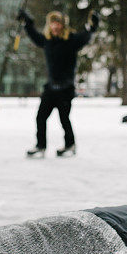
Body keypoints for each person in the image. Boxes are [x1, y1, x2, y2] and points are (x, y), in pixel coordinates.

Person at [16, 9, 99, 158]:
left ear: (62, 25)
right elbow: (35, 36)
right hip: (51, 87)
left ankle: (70, 145)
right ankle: (40, 146)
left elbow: (85, 37)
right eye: (52, 23)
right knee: (41, 117)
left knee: (64, 119)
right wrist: (27, 22)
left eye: (58, 23)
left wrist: (92, 27)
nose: (55, 26)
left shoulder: (71, 40)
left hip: (65, 88)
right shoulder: (47, 41)